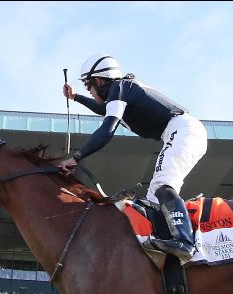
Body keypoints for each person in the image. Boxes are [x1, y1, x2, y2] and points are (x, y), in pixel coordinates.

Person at [61, 54, 208, 262]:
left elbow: (107, 129)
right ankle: (167, 245)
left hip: (183, 129)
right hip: (183, 130)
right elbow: (104, 110)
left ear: (100, 81)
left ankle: (184, 241)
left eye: (88, 85)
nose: (89, 91)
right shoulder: (119, 92)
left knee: (162, 185)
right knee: (153, 199)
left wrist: (77, 157)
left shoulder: (118, 88)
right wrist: (75, 97)